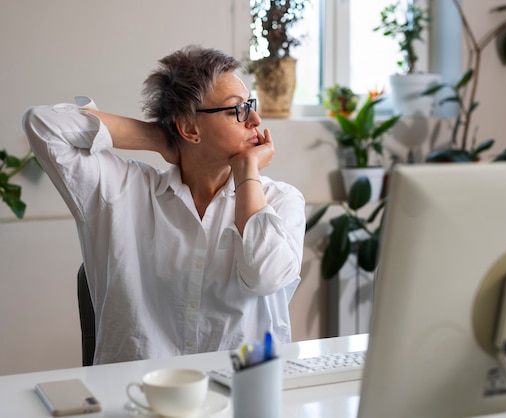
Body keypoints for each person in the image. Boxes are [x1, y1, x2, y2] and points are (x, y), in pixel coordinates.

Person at [22, 45, 305, 365]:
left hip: (241, 399)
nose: (254, 119)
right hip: (136, 401)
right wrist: (160, 138)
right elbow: (42, 123)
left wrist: (247, 174)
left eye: (250, 105)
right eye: (236, 109)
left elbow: (264, 277)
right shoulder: (121, 191)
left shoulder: (282, 201)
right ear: (190, 128)